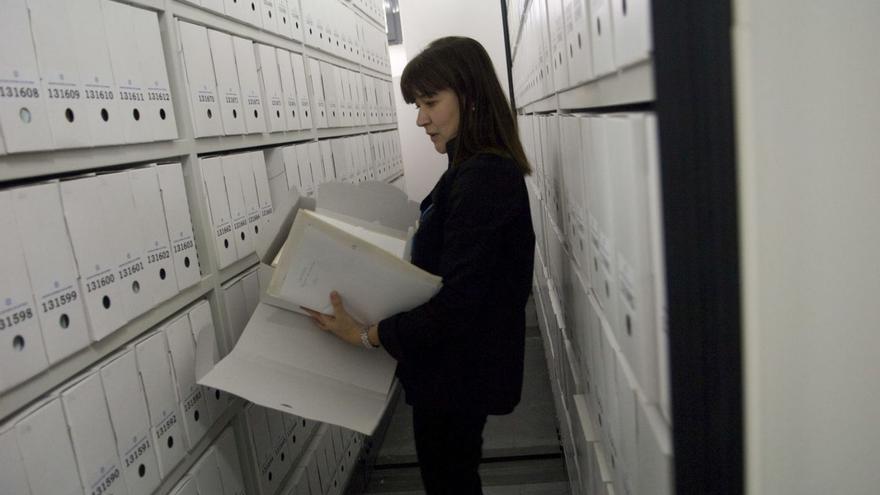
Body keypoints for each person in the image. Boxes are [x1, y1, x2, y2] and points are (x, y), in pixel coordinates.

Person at [304, 36, 535, 494]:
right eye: (416, 103)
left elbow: (457, 304)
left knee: (450, 482)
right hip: (452, 374)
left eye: (430, 102)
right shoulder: (468, 168)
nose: (420, 118)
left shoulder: (484, 177)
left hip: (458, 377)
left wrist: (369, 336)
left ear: (468, 98)